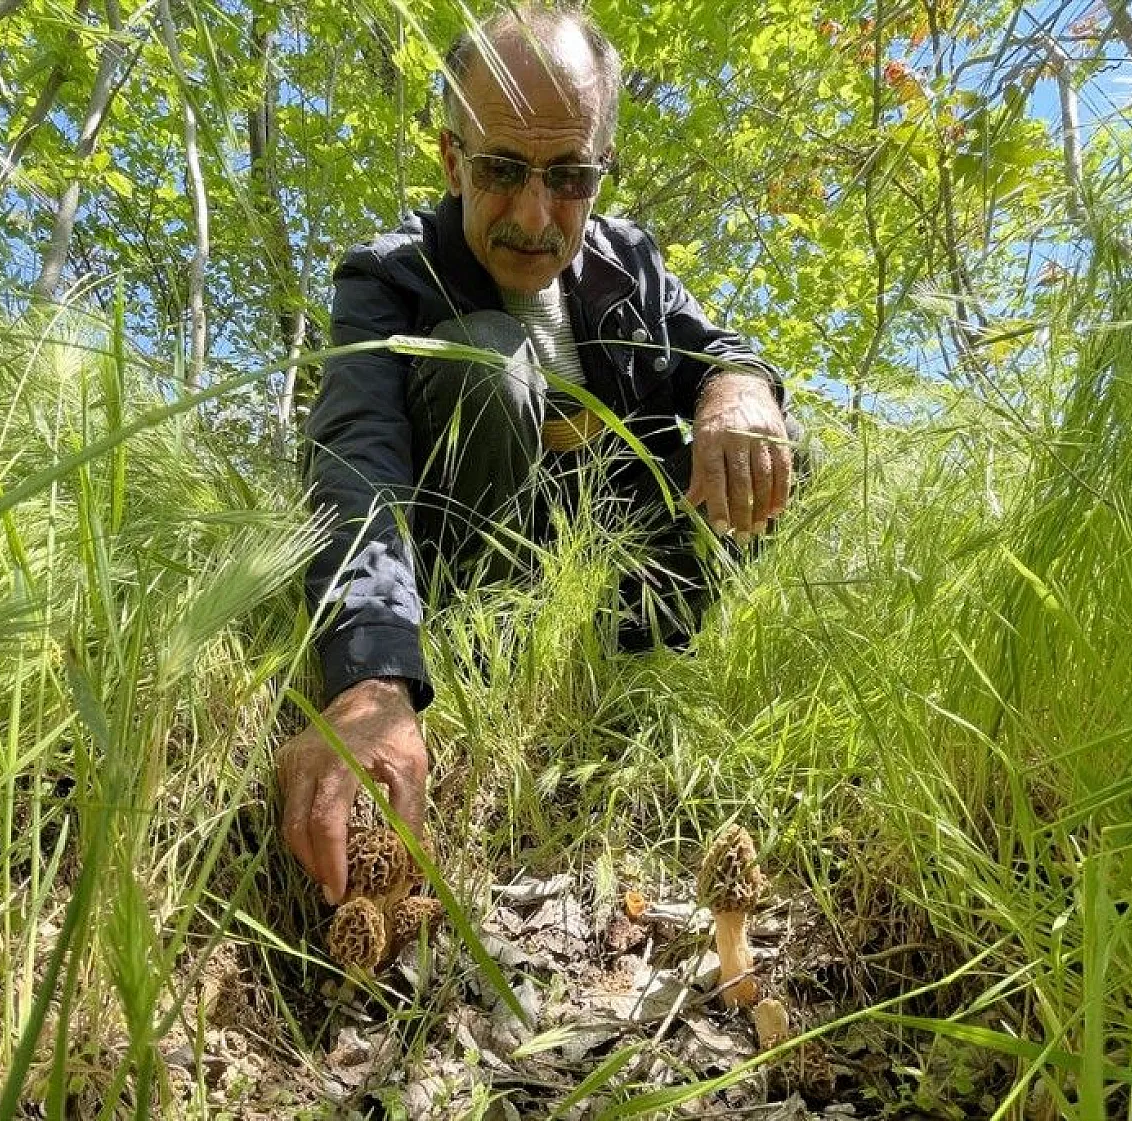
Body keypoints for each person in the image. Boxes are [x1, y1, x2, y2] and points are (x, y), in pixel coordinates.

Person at [277, 4, 796, 903]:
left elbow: (717, 347)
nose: (533, 212)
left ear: (602, 169)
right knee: (487, 362)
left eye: (569, 175)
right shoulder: (389, 276)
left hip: (623, 586)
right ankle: (486, 681)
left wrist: (739, 386)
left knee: (776, 445)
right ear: (451, 160)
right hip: (464, 595)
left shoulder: (627, 261)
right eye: (501, 168)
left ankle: (657, 671)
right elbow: (357, 460)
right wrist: (368, 679)